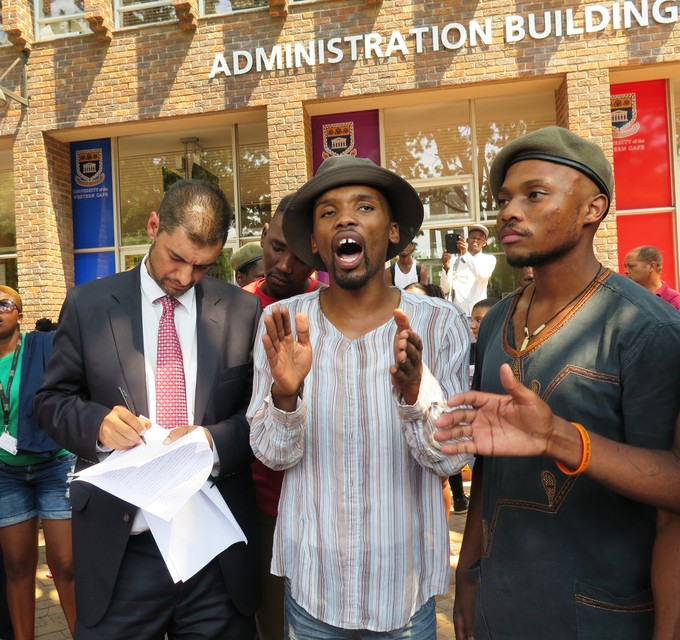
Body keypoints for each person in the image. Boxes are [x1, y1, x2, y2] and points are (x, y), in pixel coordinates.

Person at [432, 126, 680, 640]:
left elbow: (675, 495)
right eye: (503, 199)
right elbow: (490, 463)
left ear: (593, 208)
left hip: (603, 616)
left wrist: (559, 439)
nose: (507, 212)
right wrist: (469, 571)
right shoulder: (498, 319)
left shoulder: (646, 329)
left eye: (534, 195)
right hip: (502, 604)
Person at [247, 155, 471, 638]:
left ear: (392, 232)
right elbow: (271, 453)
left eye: (364, 207)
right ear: (315, 243)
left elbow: (452, 460)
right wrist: (285, 397)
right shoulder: (283, 325)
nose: (345, 219)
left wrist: (415, 395)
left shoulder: (438, 323)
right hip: (313, 586)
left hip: (403, 592)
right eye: (328, 213)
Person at [34, 180, 262, 639]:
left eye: (201, 266)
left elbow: (259, 421)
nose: (183, 277)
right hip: (123, 549)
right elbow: (50, 402)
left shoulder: (240, 310)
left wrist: (213, 441)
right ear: (153, 227)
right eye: (176, 258)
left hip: (213, 553)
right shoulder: (89, 304)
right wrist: (96, 424)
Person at [243, 195, 324, 640]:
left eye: (300, 256)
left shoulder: (328, 309)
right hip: (260, 498)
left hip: (319, 495)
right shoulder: (233, 310)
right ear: (262, 238)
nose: (285, 264)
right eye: (276, 247)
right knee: (273, 620)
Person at [0, 286, 75, 640]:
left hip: (53, 464)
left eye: (4, 303)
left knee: (66, 564)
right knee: (16, 567)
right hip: (5, 474)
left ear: (19, 312)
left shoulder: (41, 346)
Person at [439, 224, 496, 316]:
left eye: (479, 239)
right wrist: (446, 267)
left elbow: (482, 276)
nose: (475, 240)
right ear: (467, 240)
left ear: (484, 243)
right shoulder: (454, 261)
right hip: (458, 314)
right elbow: (445, 288)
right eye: (473, 237)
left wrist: (466, 254)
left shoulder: (489, 259)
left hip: (478, 314)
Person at [624, 245, 680, 310]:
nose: (626, 271)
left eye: (631, 266)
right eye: (625, 266)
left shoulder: (674, 300)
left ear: (652, 266)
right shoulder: (625, 296)